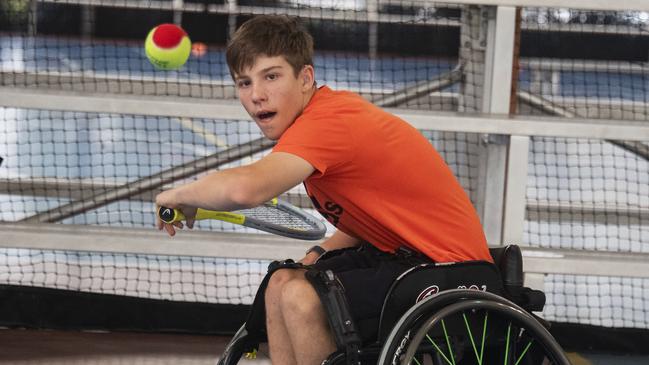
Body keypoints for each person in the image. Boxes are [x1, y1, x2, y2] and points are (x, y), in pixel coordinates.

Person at [155, 15, 492, 365]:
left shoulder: (327, 122)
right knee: (282, 281)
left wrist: (180, 194)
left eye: (271, 76)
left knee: (303, 297)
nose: (256, 95)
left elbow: (247, 188)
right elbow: (370, 217)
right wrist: (320, 251)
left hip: (453, 268)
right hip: (401, 255)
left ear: (305, 78)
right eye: (244, 82)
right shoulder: (315, 120)